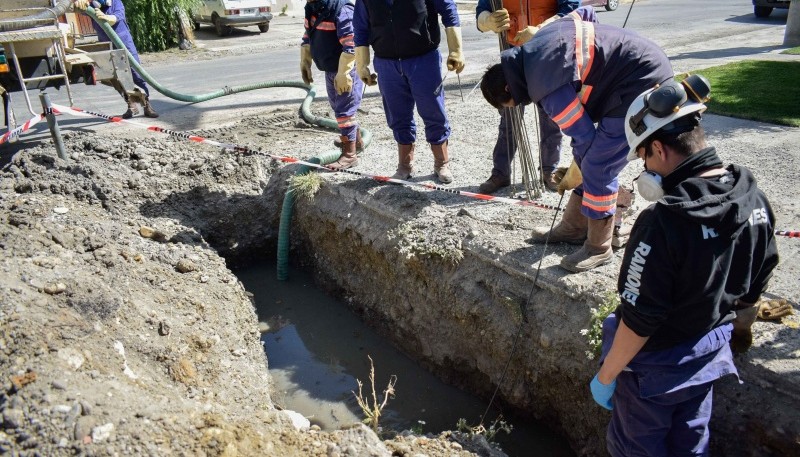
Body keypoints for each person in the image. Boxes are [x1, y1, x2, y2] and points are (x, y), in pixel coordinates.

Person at [589, 75, 779, 456]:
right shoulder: (754, 200)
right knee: (691, 444)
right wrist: (740, 332)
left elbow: (641, 318)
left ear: (657, 148)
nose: (643, 167)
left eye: (642, 156)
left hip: (654, 373)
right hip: (707, 359)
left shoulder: (663, 223)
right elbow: (755, 286)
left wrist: (607, 375)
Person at [480, 9, 673, 272]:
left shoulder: (546, 87)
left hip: (641, 81)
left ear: (507, 88)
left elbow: (584, 137)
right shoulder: (539, 40)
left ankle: (599, 246)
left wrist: (578, 170)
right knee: (590, 161)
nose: (516, 105)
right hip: (640, 63)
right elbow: (587, 13)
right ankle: (573, 227)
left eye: (509, 103)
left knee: (597, 165)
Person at [353, 0, 465, 184]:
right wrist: (362, 63)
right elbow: (360, 25)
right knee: (398, 116)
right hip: (387, 62)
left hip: (424, 59)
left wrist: (456, 49)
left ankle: (441, 163)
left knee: (433, 111)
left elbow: (448, 8)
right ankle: (405, 166)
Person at [475, 0, 580, 194]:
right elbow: (482, 9)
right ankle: (501, 173)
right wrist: (487, 20)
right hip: (514, 55)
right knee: (509, 119)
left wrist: (542, 29)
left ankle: (549, 170)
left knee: (551, 116)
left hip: (548, 51)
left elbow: (572, 8)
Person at [300, 0, 364, 170]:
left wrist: (344, 72)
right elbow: (308, 34)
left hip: (345, 69)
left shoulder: (341, 9)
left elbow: (351, 44)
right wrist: (305, 60)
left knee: (345, 112)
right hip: (330, 69)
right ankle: (355, 140)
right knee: (338, 108)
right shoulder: (312, 8)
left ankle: (349, 155)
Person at [74, 0, 159, 119]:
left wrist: (107, 18)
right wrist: (78, 3)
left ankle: (147, 106)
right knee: (116, 77)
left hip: (124, 44)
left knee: (136, 74)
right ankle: (131, 105)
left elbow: (118, 15)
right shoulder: (92, 5)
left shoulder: (116, 2)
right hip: (107, 45)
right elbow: (77, 9)